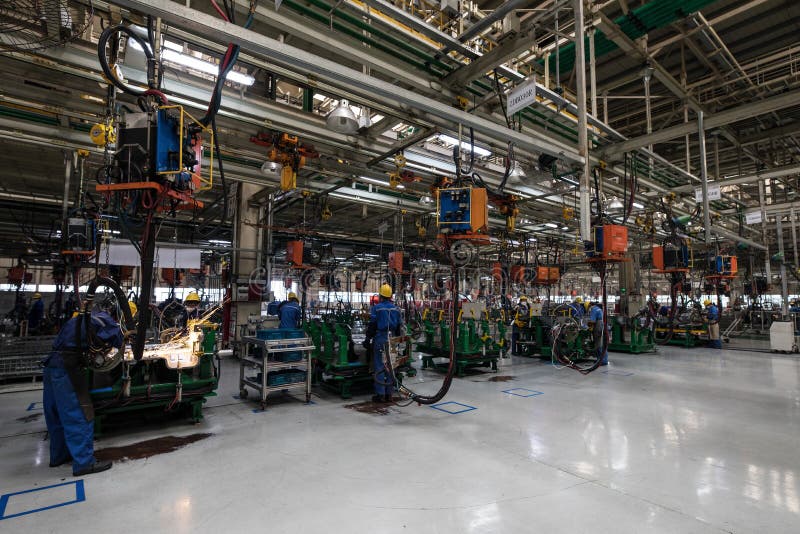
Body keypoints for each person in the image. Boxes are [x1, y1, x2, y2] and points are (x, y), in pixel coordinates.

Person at [42, 309, 123, 476]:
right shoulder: (105, 321)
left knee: (56, 414)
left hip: (52, 365)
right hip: (68, 368)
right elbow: (117, 339)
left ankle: (59, 456)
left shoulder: (81, 318)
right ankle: (84, 463)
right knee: (79, 414)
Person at [363, 284, 403, 403]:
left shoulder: (377, 308)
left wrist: (367, 338)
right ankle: (389, 394)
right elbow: (399, 327)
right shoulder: (396, 309)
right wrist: (397, 340)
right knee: (390, 366)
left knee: (380, 366)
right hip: (392, 340)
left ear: (380, 295)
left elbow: (373, 325)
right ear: (390, 296)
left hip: (380, 338)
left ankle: (380, 394)